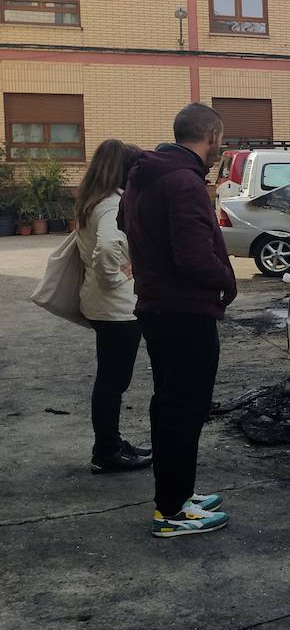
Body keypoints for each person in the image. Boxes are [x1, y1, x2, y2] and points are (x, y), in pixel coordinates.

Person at [119, 103, 234, 538]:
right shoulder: (184, 181)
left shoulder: (146, 174)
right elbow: (192, 256)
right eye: (219, 141)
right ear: (211, 138)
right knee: (184, 409)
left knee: (170, 404)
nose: (219, 149)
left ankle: (178, 495)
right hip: (186, 310)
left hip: (157, 305)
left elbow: (123, 221)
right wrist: (226, 279)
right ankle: (171, 512)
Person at [74, 139, 152, 474]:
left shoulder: (92, 200)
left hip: (103, 305)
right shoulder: (110, 204)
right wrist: (115, 282)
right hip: (116, 308)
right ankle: (107, 451)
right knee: (112, 381)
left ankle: (110, 444)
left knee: (109, 379)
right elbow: (107, 248)